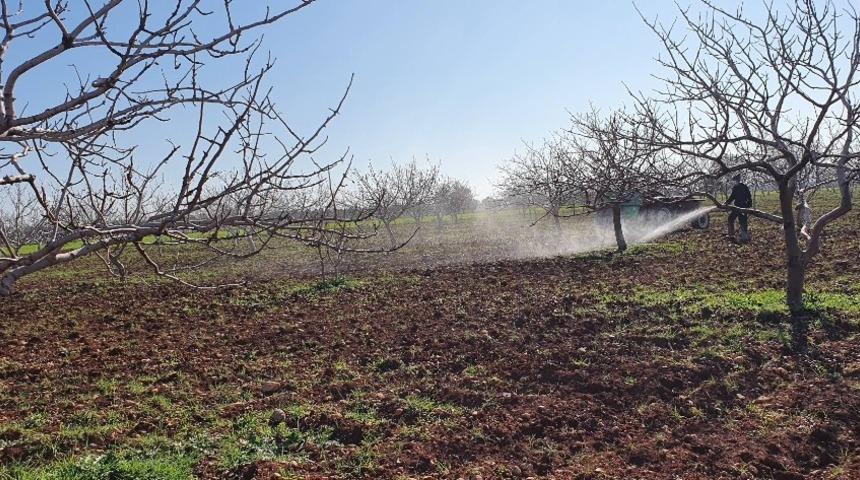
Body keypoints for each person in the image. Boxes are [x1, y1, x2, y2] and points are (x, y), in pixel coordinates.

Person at [726, 175, 752, 243]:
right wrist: (726, 203)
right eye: (734, 181)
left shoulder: (744, 187)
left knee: (743, 221)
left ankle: (744, 236)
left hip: (743, 207)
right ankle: (731, 234)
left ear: (738, 180)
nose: (734, 182)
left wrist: (749, 206)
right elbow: (732, 197)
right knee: (730, 218)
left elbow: (749, 197)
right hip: (736, 207)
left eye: (735, 181)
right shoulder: (734, 188)